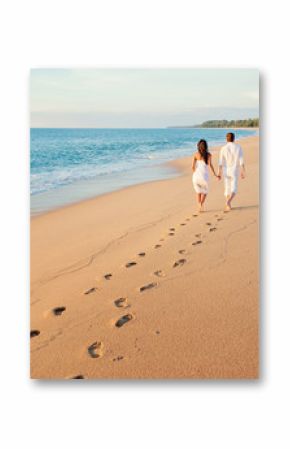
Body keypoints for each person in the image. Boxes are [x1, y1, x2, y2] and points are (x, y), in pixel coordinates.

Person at [217, 132, 246, 212]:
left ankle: (228, 205)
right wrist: (243, 171)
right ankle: (228, 202)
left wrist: (219, 173)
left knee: (227, 187)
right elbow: (241, 160)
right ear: (234, 138)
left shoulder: (223, 148)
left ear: (226, 139)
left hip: (226, 170)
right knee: (234, 187)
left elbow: (220, 162)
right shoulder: (238, 147)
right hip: (234, 170)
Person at [192, 139, 220, 212]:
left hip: (196, 176)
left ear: (198, 146)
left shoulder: (196, 154)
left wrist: (196, 173)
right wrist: (215, 175)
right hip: (204, 176)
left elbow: (192, 167)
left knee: (198, 192)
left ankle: (199, 205)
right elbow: (210, 165)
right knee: (205, 192)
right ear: (206, 146)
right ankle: (201, 204)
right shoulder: (209, 155)